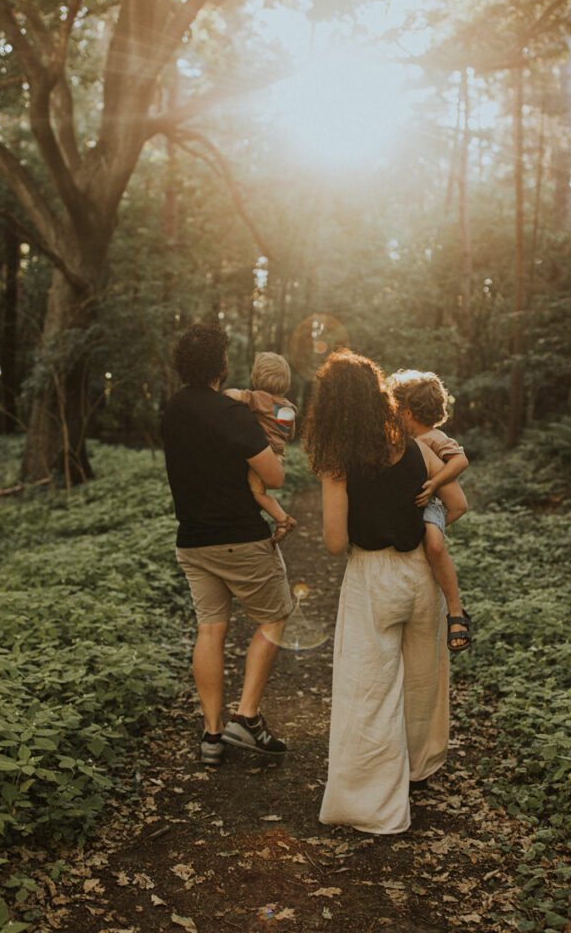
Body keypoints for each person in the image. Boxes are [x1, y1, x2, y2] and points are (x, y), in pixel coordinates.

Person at [302, 349, 468, 835]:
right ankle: (418, 770)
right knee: (422, 678)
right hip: (420, 573)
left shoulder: (338, 461)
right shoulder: (418, 445)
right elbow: (455, 503)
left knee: (369, 688)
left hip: (373, 577)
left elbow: (334, 543)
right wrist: (421, 518)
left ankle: (374, 805)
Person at [163, 323, 293, 765]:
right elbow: (274, 476)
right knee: (275, 617)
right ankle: (247, 717)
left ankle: (212, 737)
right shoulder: (231, 413)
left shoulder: (172, 409)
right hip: (239, 538)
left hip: (192, 541)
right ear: (221, 366)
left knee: (210, 630)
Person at [390, 370, 471, 653]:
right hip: (412, 507)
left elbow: (461, 460)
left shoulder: (434, 437)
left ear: (408, 412)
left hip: (432, 504)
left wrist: (436, 482)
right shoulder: (401, 439)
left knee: (435, 546)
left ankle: (456, 611)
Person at [223, 351, 298, 543]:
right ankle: (281, 521)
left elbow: (235, 395)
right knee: (259, 492)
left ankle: (282, 520)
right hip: (278, 454)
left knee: (257, 493)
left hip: (264, 453)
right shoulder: (288, 407)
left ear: (258, 377)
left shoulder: (260, 398)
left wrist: (222, 396)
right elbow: (289, 434)